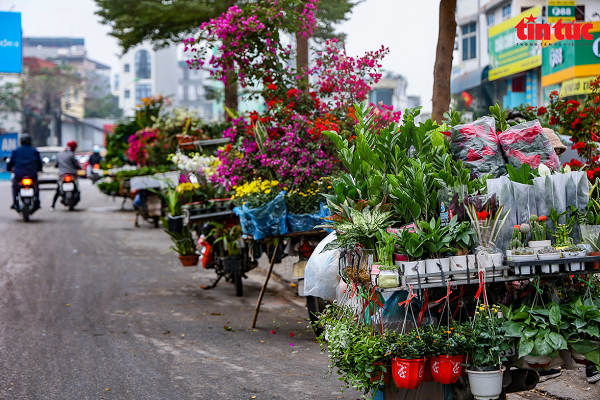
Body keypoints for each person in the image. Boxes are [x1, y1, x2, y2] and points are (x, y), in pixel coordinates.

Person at [6, 135, 43, 210]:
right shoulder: (34, 151)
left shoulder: (16, 151)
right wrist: (40, 169)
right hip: (32, 174)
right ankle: (36, 200)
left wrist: (9, 168)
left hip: (19, 174)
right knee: (36, 185)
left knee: (14, 186)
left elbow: (10, 163)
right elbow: (39, 163)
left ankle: (15, 201)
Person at [51, 140, 82, 211]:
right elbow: (75, 164)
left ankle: (52, 205)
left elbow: (56, 165)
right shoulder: (71, 154)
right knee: (76, 187)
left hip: (62, 175)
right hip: (72, 174)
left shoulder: (59, 154)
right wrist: (79, 167)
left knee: (58, 190)